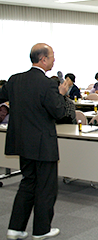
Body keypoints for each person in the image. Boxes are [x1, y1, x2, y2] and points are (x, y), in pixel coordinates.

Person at [0, 43, 71, 240]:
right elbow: (58, 112)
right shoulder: (47, 83)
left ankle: (15, 228)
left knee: (28, 183)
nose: (54, 60)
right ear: (43, 59)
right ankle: (41, 230)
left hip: (22, 142)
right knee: (46, 187)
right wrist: (62, 94)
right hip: (43, 143)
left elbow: (2, 97)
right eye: (52, 56)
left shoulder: (14, 80)